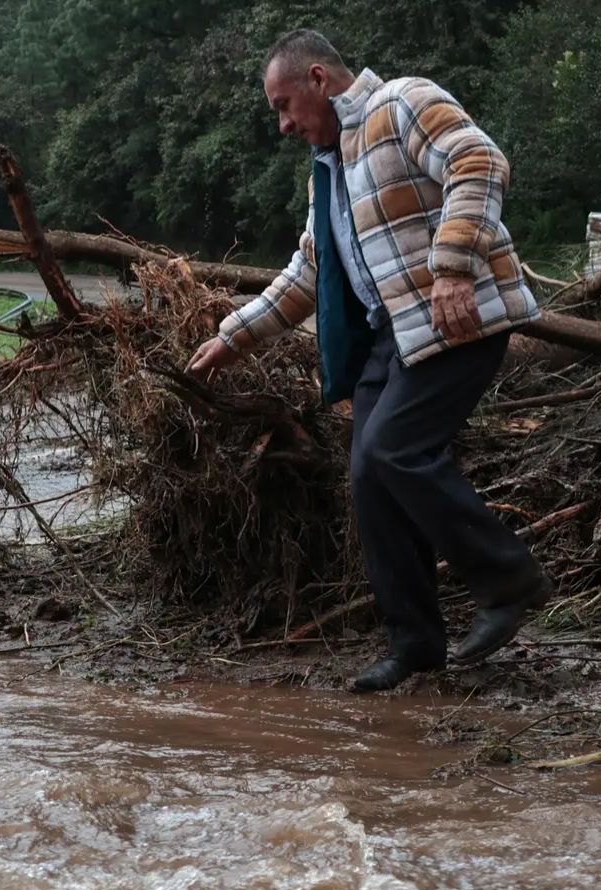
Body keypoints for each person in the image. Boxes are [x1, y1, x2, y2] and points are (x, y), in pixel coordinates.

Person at [189, 29, 552, 692]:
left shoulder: (403, 103)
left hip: (458, 318)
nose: (283, 123)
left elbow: (478, 161)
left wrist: (451, 268)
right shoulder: (329, 166)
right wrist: (233, 334)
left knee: (393, 450)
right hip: (398, 335)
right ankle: (415, 643)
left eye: (284, 104)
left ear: (319, 80)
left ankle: (509, 579)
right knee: (368, 475)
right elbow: (311, 270)